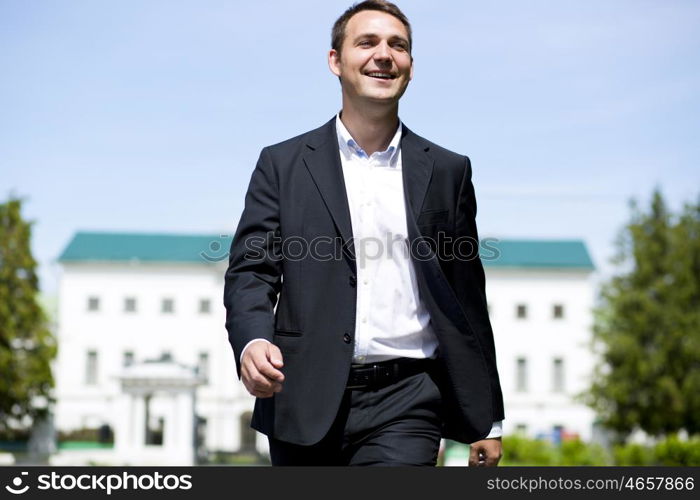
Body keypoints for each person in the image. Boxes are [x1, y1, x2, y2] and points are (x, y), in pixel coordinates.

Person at [224, 0, 504, 466]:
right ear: (336, 60)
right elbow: (251, 271)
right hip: (302, 395)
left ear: (410, 67)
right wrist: (252, 340)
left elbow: (467, 297)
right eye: (367, 42)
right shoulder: (282, 164)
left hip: (410, 400)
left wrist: (488, 418)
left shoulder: (448, 171)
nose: (384, 54)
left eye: (398, 46)